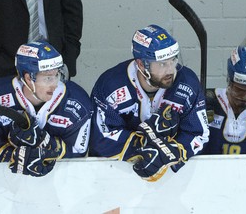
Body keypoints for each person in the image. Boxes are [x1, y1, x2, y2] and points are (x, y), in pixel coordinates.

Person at [89, 25, 209, 182]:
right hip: (116, 176)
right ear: (141, 64)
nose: (170, 70)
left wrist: (175, 150)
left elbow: (199, 133)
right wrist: (142, 146)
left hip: (173, 180)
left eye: (173, 60)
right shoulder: (111, 86)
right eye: (162, 64)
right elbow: (100, 137)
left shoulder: (187, 83)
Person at [0, 41, 93, 177]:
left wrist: (46, 144)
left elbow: (78, 150)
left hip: (58, 182)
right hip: (3, 183)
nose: (54, 85)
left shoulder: (78, 102)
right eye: (47, 78)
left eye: (57, 75)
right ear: (28, 78)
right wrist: (15, 155)